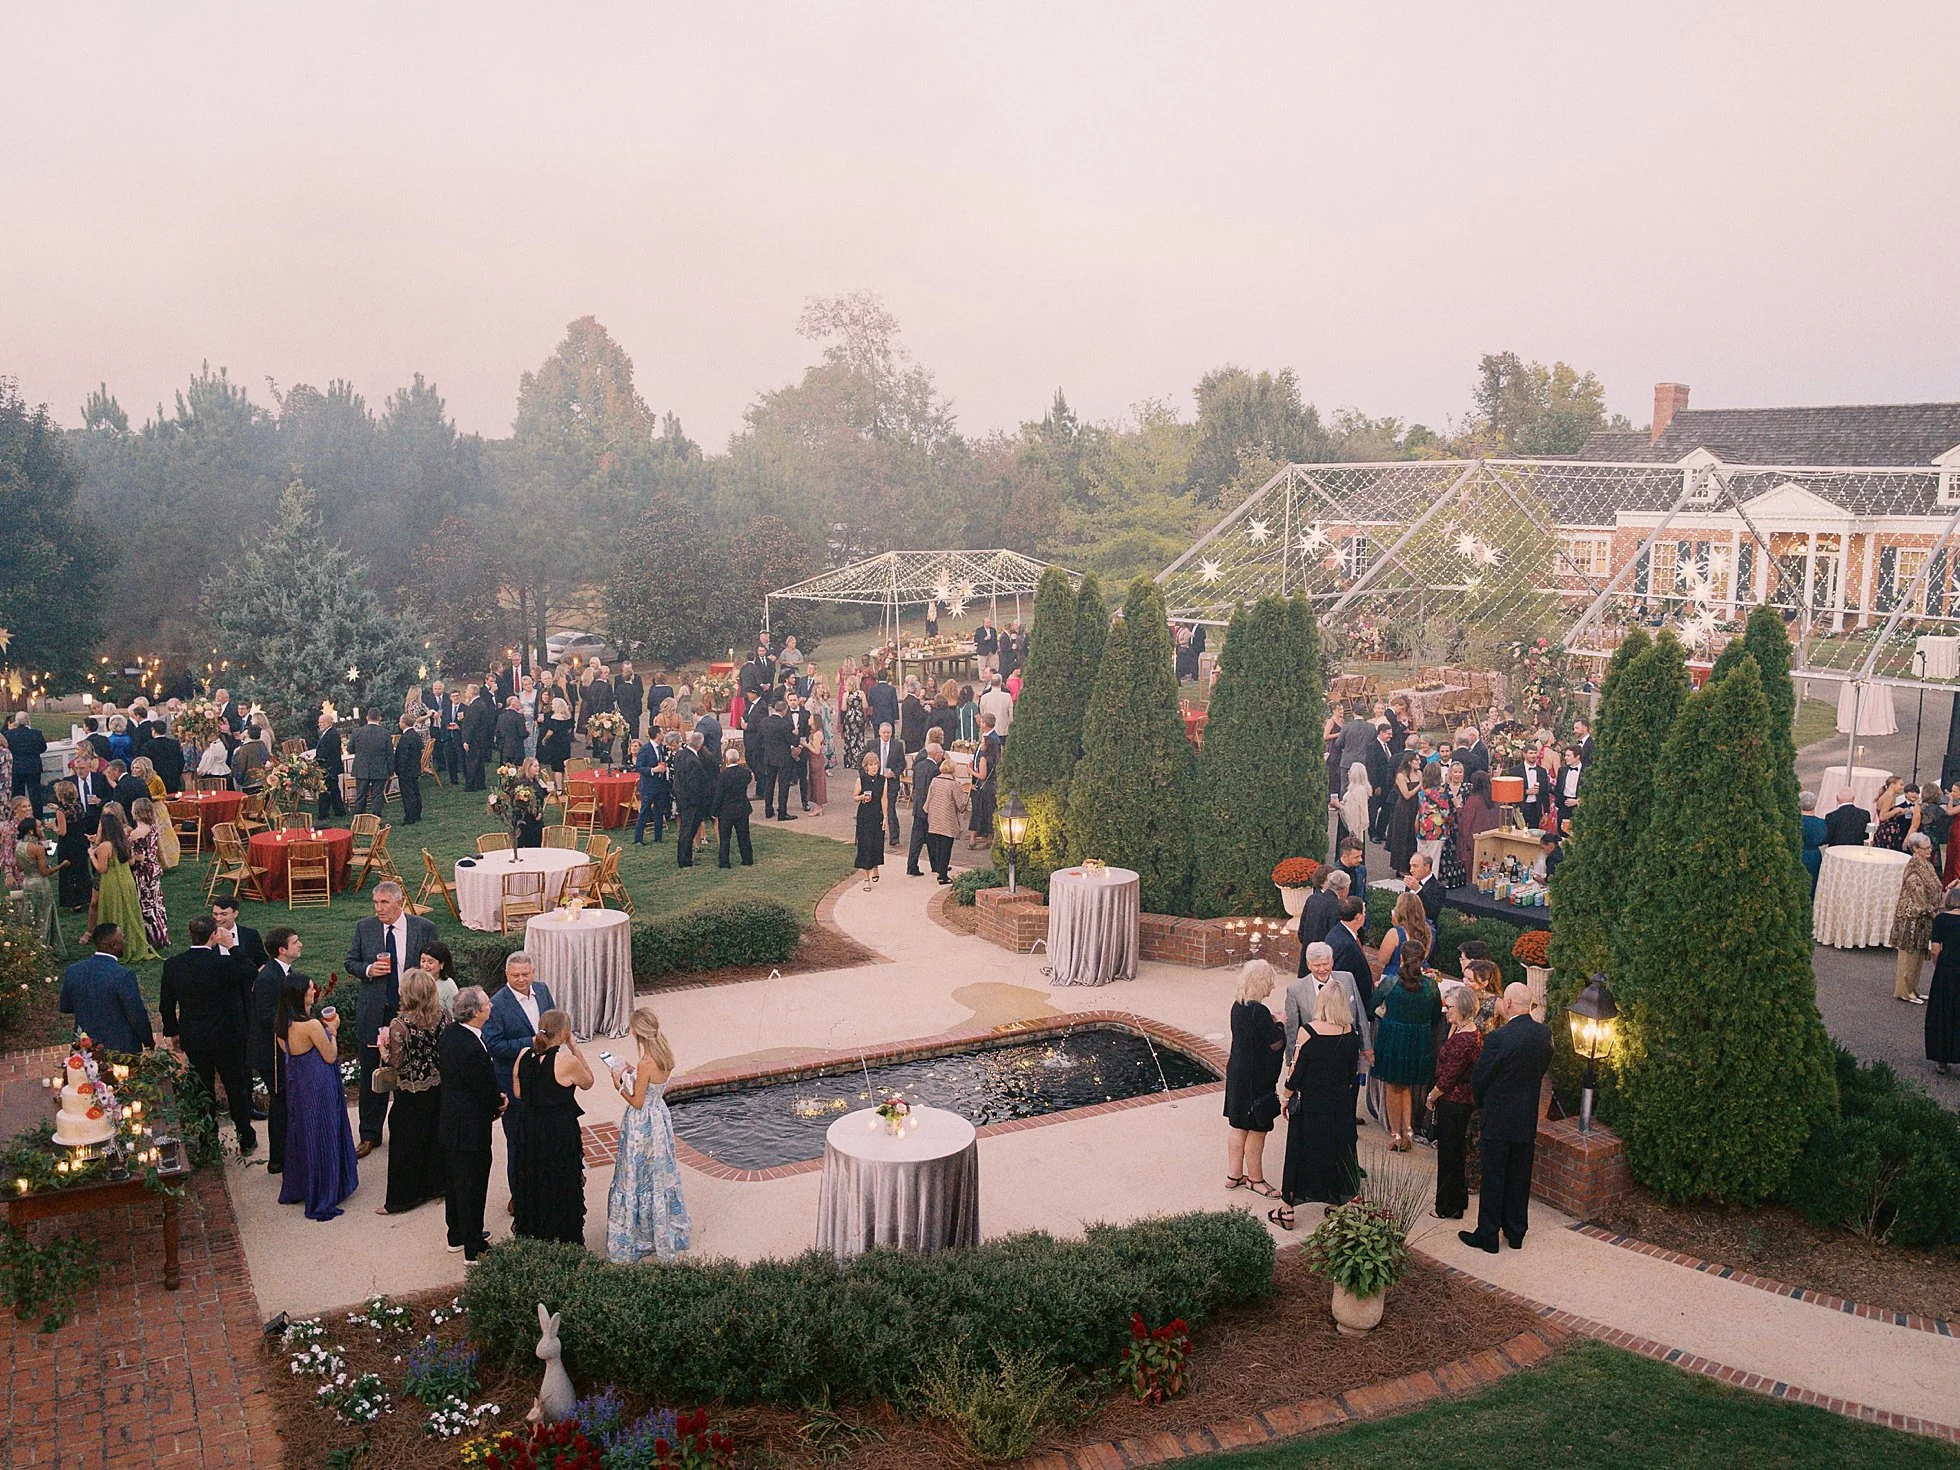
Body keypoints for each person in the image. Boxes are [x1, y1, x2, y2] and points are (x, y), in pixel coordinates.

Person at [1459, 983, 1555, 1253]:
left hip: (1499, 1115)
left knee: (1494, 1175)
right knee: (1519, 1175)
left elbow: (1480, 1077)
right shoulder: (1543, 1034)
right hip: (1525, 1116)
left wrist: (1483, 1101)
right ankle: (1515, 1232)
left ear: (1510, 1004)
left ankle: (1488, 1234)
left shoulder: (1498, 1038)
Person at [344, 880, 437, 1156]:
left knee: (413, 1070)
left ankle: (413, 1131)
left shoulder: (424, 928)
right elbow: (350, 961)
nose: (379, 909)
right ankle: (370, 1134)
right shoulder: (365, 927)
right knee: (372, 1073)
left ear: (400, 903)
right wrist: (370, 969)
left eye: (384, 903)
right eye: (375, 903)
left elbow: (436, 962)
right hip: (375, 1012)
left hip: (412, 1012)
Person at [160, 914, 259, 1154]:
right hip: (228, 1038)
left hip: (195, 1038)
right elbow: (251, 971)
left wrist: (173, 1031)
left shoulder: (174, 964)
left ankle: (208, 1140)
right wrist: (233, 946)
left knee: (202, 1090)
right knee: (235, 1088)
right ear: (213, 935)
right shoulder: (223, 964)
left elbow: (166, 1004)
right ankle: (246, 1137)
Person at [1270, 982, 1364, 1229]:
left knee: (1299, 1151)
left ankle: (1288, 1209)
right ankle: (1336, 1202)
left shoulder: (1308, 1032)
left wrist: (1285, 1096)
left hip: (1311, 1103)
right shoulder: (1351, 1033)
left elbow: (1297, 1070)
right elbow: (1351, 1074)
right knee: (1336, 1150)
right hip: (1339, 1104)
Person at [605, 1006, 692, 1262]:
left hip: (641, 1125)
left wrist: (618, 1082)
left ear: (636, 1031)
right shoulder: (664, 1055)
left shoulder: (646, 1063)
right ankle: (663, 1227)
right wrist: (633, 1071)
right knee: (659, 1175)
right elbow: (653, 1088)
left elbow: (637, 1101)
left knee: (634, 1175)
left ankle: (637, 1236)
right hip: (660, 1119)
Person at [275, 970, 359, 1220]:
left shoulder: (282, 1023)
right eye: (311, 988)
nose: (314, 991)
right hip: (318, 1083)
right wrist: (332, 1031)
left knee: (303, 1132)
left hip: (298, 1084)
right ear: (301, 994)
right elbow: (330, 1055)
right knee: (324, 1131)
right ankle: (326, 1189)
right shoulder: (310, 1025)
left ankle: (302, 1184)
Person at [511, 1008, 594, 1244]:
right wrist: (575, 1047)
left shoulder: (523, 1055)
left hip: (528, 1129)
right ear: (564, 1033)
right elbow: (588, 1081)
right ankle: (563, 1236)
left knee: (533, 1180)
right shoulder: (566, 1062)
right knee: (560, 1181)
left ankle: (534, 1235)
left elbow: (518, 1092)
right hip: (557, 1131)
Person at [484, 951, 556, 1200]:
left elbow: (553, 1023)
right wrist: (531, 1042)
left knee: (544, 1137)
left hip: (545, 1079)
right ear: (506, 975)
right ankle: (518, 1195)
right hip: (512, 1082)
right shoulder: (497, 1004)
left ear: (533, 973)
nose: (521, 980)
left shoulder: (543, 990)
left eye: (526, 974)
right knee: (517, 1142)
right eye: (515, 975)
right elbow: (493, 1046)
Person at [438, 986, 501, 1260]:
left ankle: (456, 1234)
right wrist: (498, 1103)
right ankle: (474, 1248)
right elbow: (483, 1088)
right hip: (471, 1128)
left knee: (455, 1183)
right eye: (487, 1004)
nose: (490, 1007)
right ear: (475, 1012)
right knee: (472, 1186)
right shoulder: (472, 1047)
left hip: (451, 1121)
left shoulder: (450, 1034)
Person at [377, 968, 447, 1215]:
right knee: (434, 1138)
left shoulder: (400, 1025)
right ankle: (436, 1186)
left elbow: (398, 1063)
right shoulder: (442, 1016)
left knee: (405, 1145)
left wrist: (382, 1049)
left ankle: (402, 1198)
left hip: (411, 1092)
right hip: (438, 1087)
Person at [1372, 924, 1440, 1152]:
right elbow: (1434, 1016)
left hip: (1393, 1037)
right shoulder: (1431, 986)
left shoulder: (1390, 983)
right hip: (1418, 1038)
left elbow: (1372, 1006)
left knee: (1394, 1086)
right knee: (1407, 1086)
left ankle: (1395, 1133)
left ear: (1400, 957)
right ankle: (1408, 1130)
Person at [1223, 960, 1286, 1199]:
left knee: (1238, 1125)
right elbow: (1276, 1043)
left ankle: (1234, 1174)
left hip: (1237, 1074)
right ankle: (1256, 1180)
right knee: (1257, 1128)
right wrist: (1280, 1023)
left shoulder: (1237, 1006)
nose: (1272, 987)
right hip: (1255, 1077)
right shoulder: (1258, 1012)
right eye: (1270, 983)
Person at [250, 927, 303, 1173]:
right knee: (280, 1102)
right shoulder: (269, 978)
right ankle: (277, 1159)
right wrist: (301, 1028)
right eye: (295, 942)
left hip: (280, 1049)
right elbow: (267, 1016)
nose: (300, 944)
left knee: (285, 1100)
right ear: (282, 950)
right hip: (270, 1053)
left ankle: (287, 1152)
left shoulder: (283, 972)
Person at [1427, 986, 1483, 1219]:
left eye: (1449, 1007)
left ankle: (1447, 1206)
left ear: (1462, 1009)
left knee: (1449, 1155)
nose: (1445, 1011)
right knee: (1455, 1153)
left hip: (1454, 1103)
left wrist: (1431, 1097)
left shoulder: (1464, 1040)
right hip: (1459, 1101)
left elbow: (1449, 1077)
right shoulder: (1464, 1030)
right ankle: (1458, 1200)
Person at [60, 925, 154, 1054]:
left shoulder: (73, 970)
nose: (124, 942)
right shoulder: (123, 975)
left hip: (85, 1046)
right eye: (122, 939)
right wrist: (149, 1042)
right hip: (121, 1050)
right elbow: (136, 1015)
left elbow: (65, 1006)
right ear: (113, 945)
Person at [92, 806, 158, 962]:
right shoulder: (124, 841)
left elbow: (102, 868)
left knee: (113, 909)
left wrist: (91, 856)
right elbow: (131, 861)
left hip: (112, 882)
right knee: (128, 911)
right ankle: (131, 943)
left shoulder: (105, 846)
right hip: (127, 880)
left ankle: (113, 947)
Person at [1891, 833, 1942, 1005]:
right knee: (1909, 957)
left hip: (1924, 919)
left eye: (1929, 847)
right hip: (1911, 918)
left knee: (1919, 956)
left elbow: (1935, 886)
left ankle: (1913, 989)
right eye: (1925, 848)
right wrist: (1937, 914)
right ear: (1915, 849)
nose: (1929, 850)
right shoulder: (1913, 868)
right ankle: (1904, 991)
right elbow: (1919, 896)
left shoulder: (1926, 864)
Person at [127, 798, 170, 952]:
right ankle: (161, 935)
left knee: (145, 904)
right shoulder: (152, 827)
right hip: (154, 867)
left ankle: (151, 938)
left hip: (143, 870)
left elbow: (139, 856)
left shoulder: (136, 833)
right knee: (156, 902)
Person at [1926, 886, 1960, 1073]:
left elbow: (1935, 949)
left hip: (1947, 968)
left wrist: (1938, 964)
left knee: (1943, 1011)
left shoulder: (1941, 920)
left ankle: (1942, 1060)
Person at [923, 750, 968, 883]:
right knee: (946, 848)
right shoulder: (954, 784)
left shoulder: (935, 781)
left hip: (935, 818)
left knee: (937, 846)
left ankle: (939, 868)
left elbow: (928, 801)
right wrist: (966, 797)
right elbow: (961, 805)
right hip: (947, 821)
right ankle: (942, 876)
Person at [1293, 868, 1348, 970]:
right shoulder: (1337, 906)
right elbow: (1335, 939)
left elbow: (1302, 931)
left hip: (1308, 960)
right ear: (1344, 889)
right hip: (1324, 966)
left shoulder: (1312, 899)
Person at [905, 734, 941, 877]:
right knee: (926, 838)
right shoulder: (934, 769)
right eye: (940, 753)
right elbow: (933, 790)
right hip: (928, 807)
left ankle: (930, 864)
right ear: (935, 754)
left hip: (918, 806)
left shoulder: (919, 766)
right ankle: (931, 865)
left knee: (922, 838)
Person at [715, 746, 755, 868]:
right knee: (744, 835)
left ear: (726, 760)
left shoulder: (723, 776)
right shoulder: (745, 773)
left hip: (726, 810)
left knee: (725, 838)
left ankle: (724, 862)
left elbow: (719, 795)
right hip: (742, 807)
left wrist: (714, 810)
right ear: (738, 759)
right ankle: (747, 859)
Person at [53, 782, 89, 912]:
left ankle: (74, 902)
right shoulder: (79, 805)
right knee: (81, 869)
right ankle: (85, 897)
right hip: (80, 841)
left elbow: (62, 831)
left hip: (68, 844)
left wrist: (53, 827)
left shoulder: (61, 811)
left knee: (69, 872)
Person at [853, 750, 886, 890]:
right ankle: (866, 878)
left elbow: (884, 799)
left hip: (877, 814)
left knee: (877, 844)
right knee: (865, 845)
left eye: (876, 764)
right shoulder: (861, 779)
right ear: (866, 766)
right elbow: (854, 796)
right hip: (865, 815)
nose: (874, 767)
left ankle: (876, 866)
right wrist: (862, 797)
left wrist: (886, 817)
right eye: (871, 765)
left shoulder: (882, 780)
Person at [969, 712, 1001, 849]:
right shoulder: (987, 738)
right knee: (983, 811)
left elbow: (984, 773)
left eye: (981, 722)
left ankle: (980, 836)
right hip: (985, 783)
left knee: (980, 811)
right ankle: (984, 835)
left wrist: (971, 770)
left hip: (983, 783)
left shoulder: (992, 740)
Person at [632, 734, 672, 845]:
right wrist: (653, 770)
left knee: (659, 811)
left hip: (660, 784)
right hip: (649, 786)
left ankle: (658, 837)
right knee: (645, 811)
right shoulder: (645, 749)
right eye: (661, 733)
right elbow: (639, 767)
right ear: (657, 735)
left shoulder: (662, 748)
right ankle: (638, 839)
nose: (663, 735)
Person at [1387, 751, 1421, 876]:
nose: (1419, 762)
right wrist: (1419, 786)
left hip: (1415, 807)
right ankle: (1401, 867)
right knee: (1403, 836)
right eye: (1416, 760)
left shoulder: (1419, 773)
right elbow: (1406, 795)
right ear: (1409, 762)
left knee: (1412, 836)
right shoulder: (1401, 776)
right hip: (1404, 808)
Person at [874, 721, 906, 847]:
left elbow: (902, 764)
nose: (886, 735)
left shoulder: (897, 745)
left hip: (891, 782)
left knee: (890, 808)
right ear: (879, 733)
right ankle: (877, 833)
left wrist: (894, 773)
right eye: (884, 732)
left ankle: (894, 837)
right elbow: (862, 758)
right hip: (876, 781)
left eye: (888, 732)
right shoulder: (873, 744)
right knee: (876, 808)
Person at [7, 712, 49, 805]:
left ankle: (19, 815)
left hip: (17, 767)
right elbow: (43, 748)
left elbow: (8, 749)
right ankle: (37, 816)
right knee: (35, 794)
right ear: (28, 721)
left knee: (18, 795)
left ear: (16, 722)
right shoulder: (36, 733)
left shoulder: (10, 735)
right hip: (33, 766)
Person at [314, 710, 348, 820]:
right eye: (319, 722)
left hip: (328, 767)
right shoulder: (328, 733)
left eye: (322, 722)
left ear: (329, 723)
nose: (319, 724)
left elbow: (329, 752)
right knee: (333, 790)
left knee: (325, 790)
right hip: (328, 767)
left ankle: (324, 813)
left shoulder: (332, 734)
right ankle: (339, 810)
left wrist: (318, 761)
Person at [394, 714, 425, 824]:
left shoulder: (406, 737)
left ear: (404, 723)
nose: (399, 723)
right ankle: (417, 813)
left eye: (400, 721)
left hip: (406, 770)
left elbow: (403, 756)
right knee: (415, 791)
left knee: (408, 794)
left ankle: (410, 816)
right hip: (415, 768)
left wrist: (399, 769)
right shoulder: (415, 735)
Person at [1871, 776, 1912, 850]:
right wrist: (1896, 810)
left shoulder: (1889, 797)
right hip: (1887, 832)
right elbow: (1882, 816)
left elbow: (1889, 814)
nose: (1902, 787)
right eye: (1901, 784)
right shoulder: (1888, 797)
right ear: (1893, 785)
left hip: (1887, 830)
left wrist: (1900, 811)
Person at [1405, 852, 1445, 926]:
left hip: (1425, 930)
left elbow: (1431, 913)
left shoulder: (1438, 887)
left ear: (1427, 867)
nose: (1411, 870)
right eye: (1410, 866)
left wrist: (1418, 890)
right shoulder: (1411, 883)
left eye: (1415, 866)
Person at [537, 697, 574, 772]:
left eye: (553, 704)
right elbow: (570, 729)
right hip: (565, 741)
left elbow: (550, 732)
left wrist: (544, 739)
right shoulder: (568, 716)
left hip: (556, 743)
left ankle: (558, 783)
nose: (552, 706)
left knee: (556, 766)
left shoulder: (554, 717)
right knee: (564, 763)